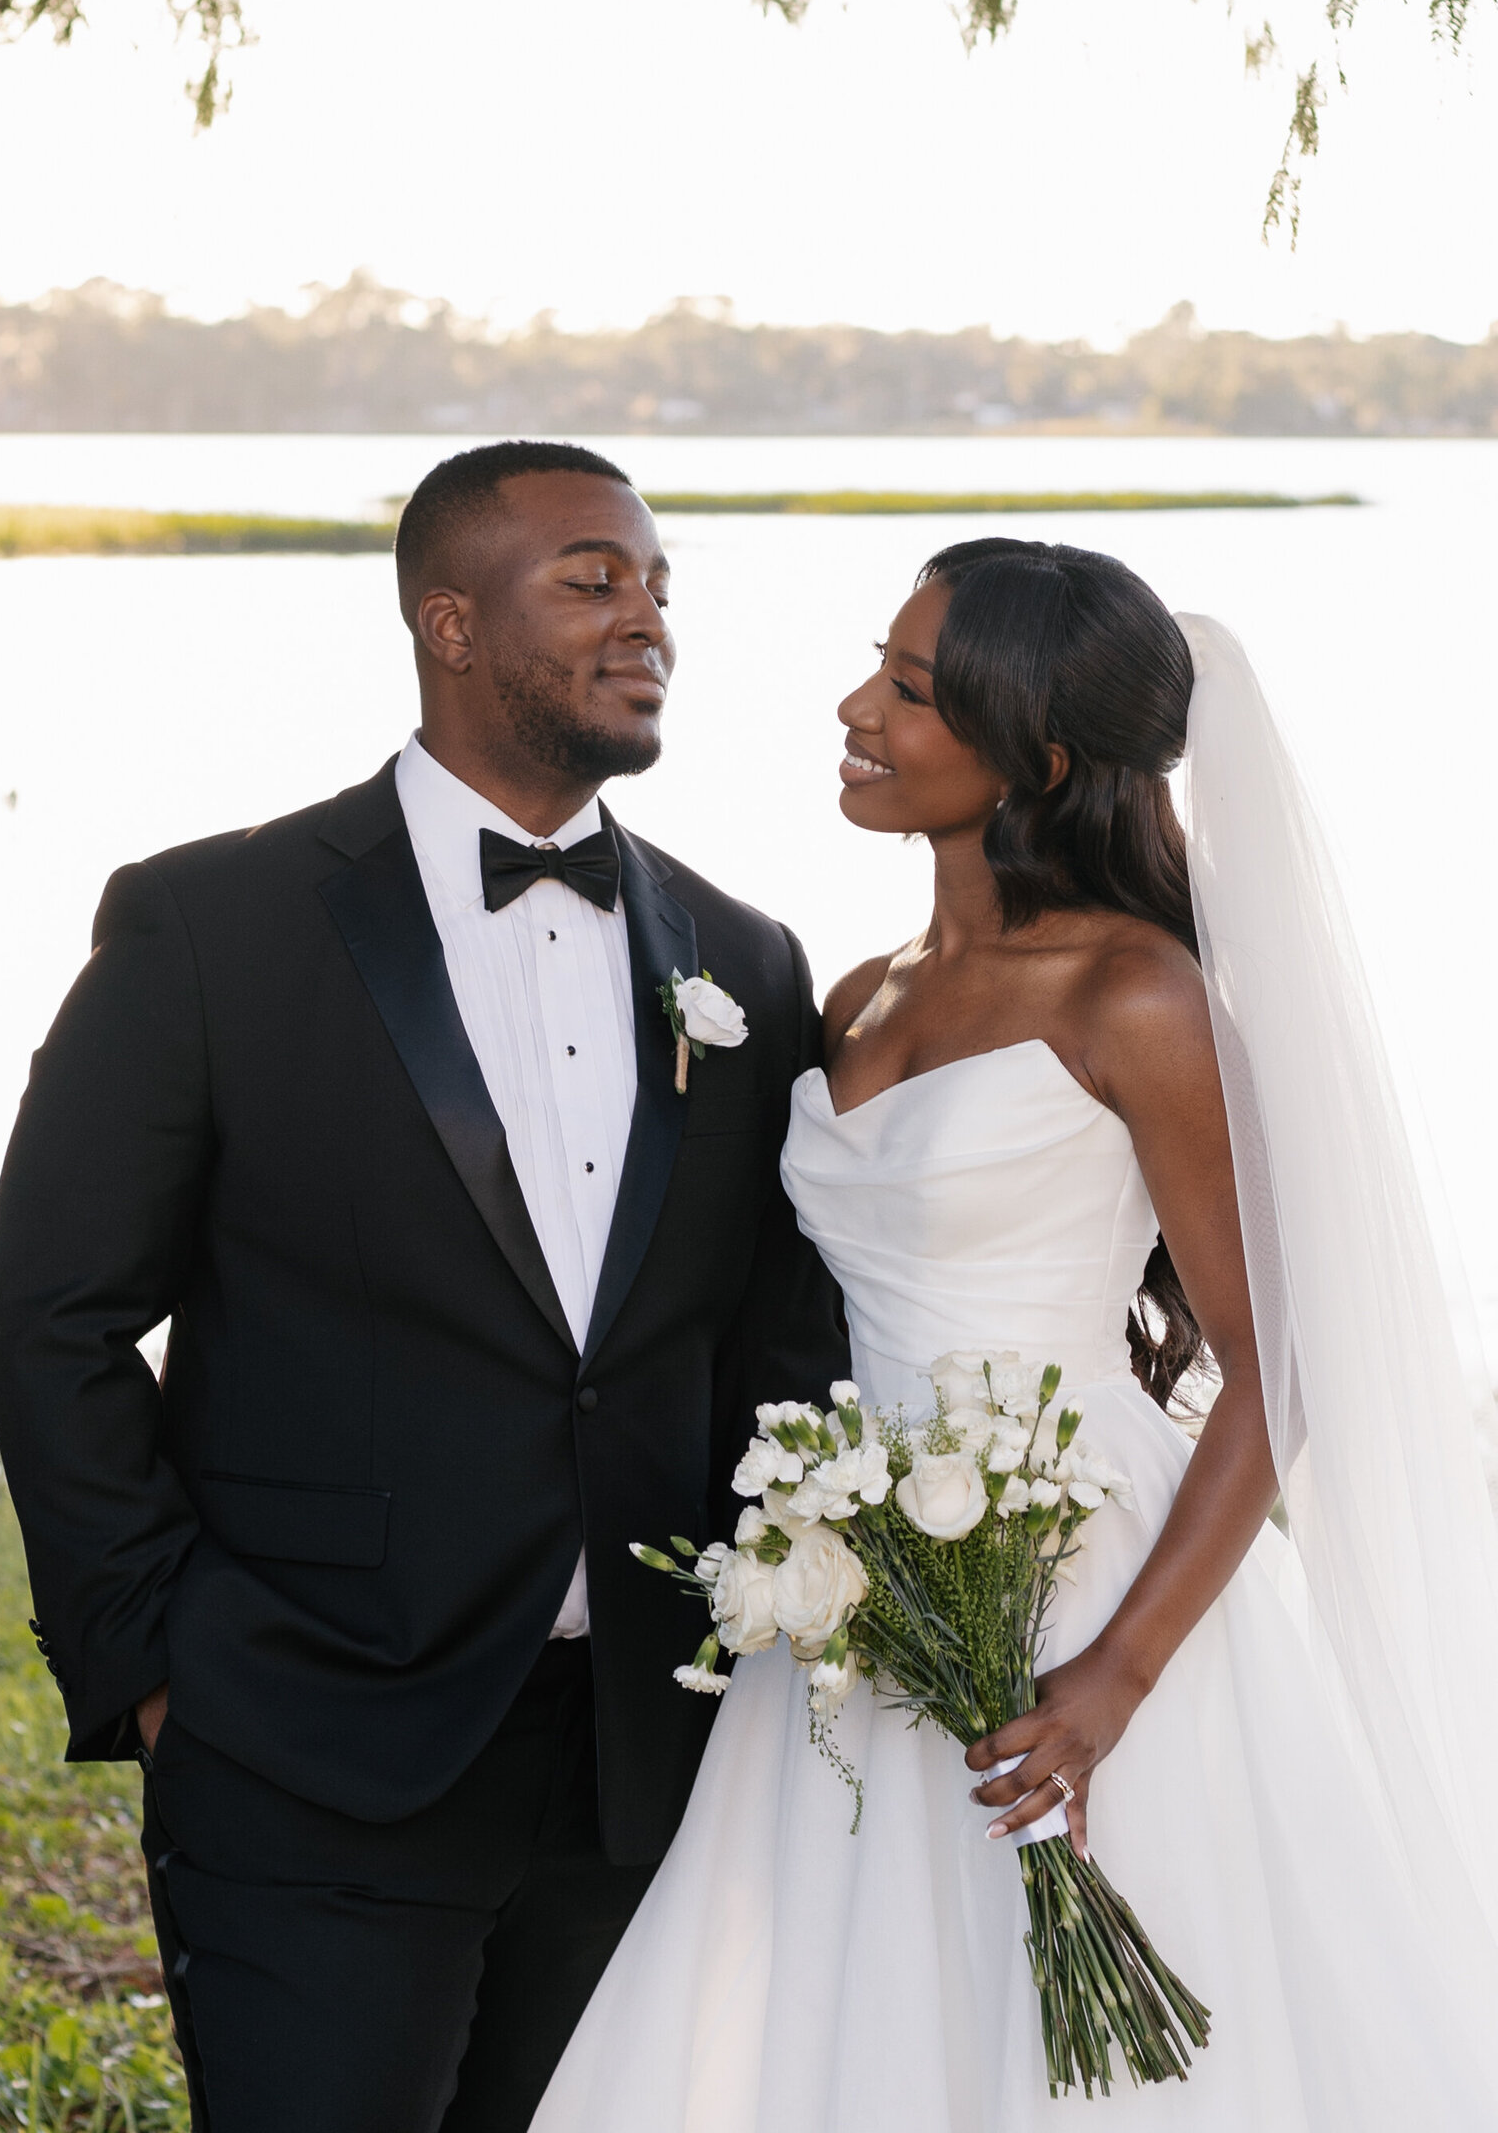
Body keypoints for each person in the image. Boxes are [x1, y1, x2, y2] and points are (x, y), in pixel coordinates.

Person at [531, 536, 1498, 2131]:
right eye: (878, 666)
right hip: (855, 1590)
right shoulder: (854, 997)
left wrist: (1117, 1674)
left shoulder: (1135, 997)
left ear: (1037, 758)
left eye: (908, 691)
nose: (856, 707)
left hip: (1088, 1571)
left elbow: (1278, 1369)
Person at [0, 439, 847, 2133]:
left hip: (638, 1775)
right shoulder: (211, 927)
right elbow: (55, 1313)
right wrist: (158, 1657)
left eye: (659, 585)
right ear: (449, 621)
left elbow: (771, 1340)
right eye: (593, 579)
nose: (645, 618)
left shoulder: (743, 961)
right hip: (308, 1746)